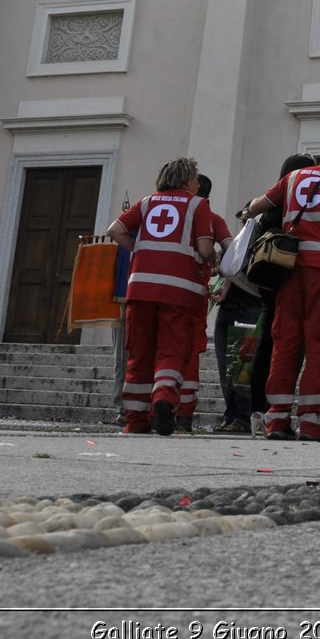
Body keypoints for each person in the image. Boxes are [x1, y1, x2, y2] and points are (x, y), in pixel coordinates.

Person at [241, 133, 320, 441]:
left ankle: (277, 422)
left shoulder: (294, 176)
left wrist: (246, 212)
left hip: (290, 269)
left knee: (285, 344)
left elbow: (259, 205)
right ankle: (310, 425)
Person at [107, 157, 217, 435]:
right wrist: (213, 259)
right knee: (171, 349)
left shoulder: (146, 202)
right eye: (195, 178)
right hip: (178, 290)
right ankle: (165, 398)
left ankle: (134, 421)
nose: (196, 183)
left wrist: (140, 249)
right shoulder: (197, 204)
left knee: (139, 353)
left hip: (140, 288)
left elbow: (115, 231)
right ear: (187, 180)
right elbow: (205, 249)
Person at [175, 173, 232, 434]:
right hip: (194, 293)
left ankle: (156, 407)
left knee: (161, 350)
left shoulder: (171, 212)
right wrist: (219, 269)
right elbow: (232, 251)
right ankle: (184, 416)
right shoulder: (213, 219)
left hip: (162, 292)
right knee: (189, 353)